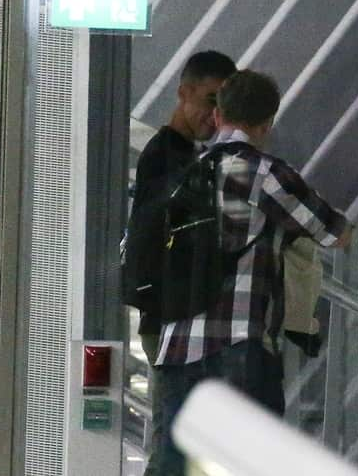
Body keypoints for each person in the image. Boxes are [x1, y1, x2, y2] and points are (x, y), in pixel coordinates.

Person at [151, 69, 354, 475]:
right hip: (240, 345)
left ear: (218, 116)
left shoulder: (180, 173)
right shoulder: (268, 174)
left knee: (172, 468)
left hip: (175, 346)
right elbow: (335, 233)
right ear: (267, 123)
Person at [122, 50, 236, 476]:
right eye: (210, 101)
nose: (216, 114)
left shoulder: (180, 153)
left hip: (173, 314)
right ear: (183, 93)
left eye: (223, 105)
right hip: (173, 316)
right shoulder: (170, 156)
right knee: (176, 434)